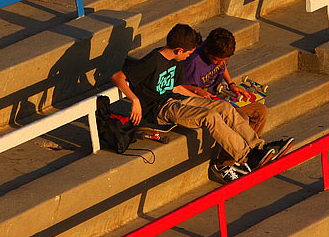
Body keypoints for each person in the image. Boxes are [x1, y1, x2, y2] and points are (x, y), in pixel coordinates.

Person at [111, 23, 275, 184]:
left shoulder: (175, 60)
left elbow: (177, 88)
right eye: (188, 54)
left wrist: (203, 100)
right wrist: (135, 99)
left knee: (224, 107)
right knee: (210, 116)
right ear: (179, 50)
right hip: (160, 109)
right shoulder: (153, 61)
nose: (189, 56)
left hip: (177, 99)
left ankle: (259, 148)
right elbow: (118, 77)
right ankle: (246, 156)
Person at [182, 27, 293, 168]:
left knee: (261, 111)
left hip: (220, 97)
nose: (220, 64)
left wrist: (231, 84)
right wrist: (197, 90)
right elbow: (179, 87)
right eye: (217, 61)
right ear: (207, 51)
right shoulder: (193, 62)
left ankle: (257, 152)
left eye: (224, 60)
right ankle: (223, 165)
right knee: (243, 119)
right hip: (206, 103)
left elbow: (223, 67)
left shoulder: (218, 54)